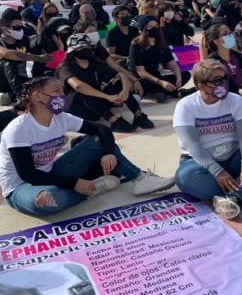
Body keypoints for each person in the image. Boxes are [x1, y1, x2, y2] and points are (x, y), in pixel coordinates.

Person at [0, 77, 174, 216]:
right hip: (20, 186)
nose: (62, 95)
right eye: (56, 91)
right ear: (37, 96)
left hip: (51, 172)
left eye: (62, 90)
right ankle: (92, 189)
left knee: (99, 142)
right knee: (48, 200)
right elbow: (27, 174)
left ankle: (140, 179)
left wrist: (107, 153)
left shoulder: (61, 118)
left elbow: (102, 129)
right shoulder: (19, 129)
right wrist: (73, 183)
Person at [173, 60, 242, 219]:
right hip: (200, 163)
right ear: (201, 86)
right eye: (217, 81)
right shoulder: (185, 106)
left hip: (232, 156)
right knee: (184, 177)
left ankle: (234, 197)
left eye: (224, 79)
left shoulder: (236, 100)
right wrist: (217, 171)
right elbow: (193, 146)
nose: (223, 84)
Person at [57, 34, 154, 132]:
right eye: (81, 48)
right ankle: (115, 121)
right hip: (77, 110)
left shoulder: (94, 63)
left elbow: (120, 74)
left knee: (118, 84)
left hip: (96, 106)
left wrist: (124, 91)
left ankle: (138, 115)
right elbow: (78, 86)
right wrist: (107, 97)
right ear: (73, 51)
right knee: (81, 93)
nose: (85, 49)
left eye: (88, 47)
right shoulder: (66, 67)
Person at [128, 15, 192, 103]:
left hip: (156, 75)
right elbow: (141, 72)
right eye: (150, 26)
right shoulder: (136, 45)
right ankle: (176, 93)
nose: (154, 28)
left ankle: (159, 93)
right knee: (146, 84)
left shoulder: (160, 42)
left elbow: (171, 62)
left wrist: (178, 76)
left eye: (156, 26)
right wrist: (161, 83)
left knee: (185, 74)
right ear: (143, 29)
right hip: (141, 78)